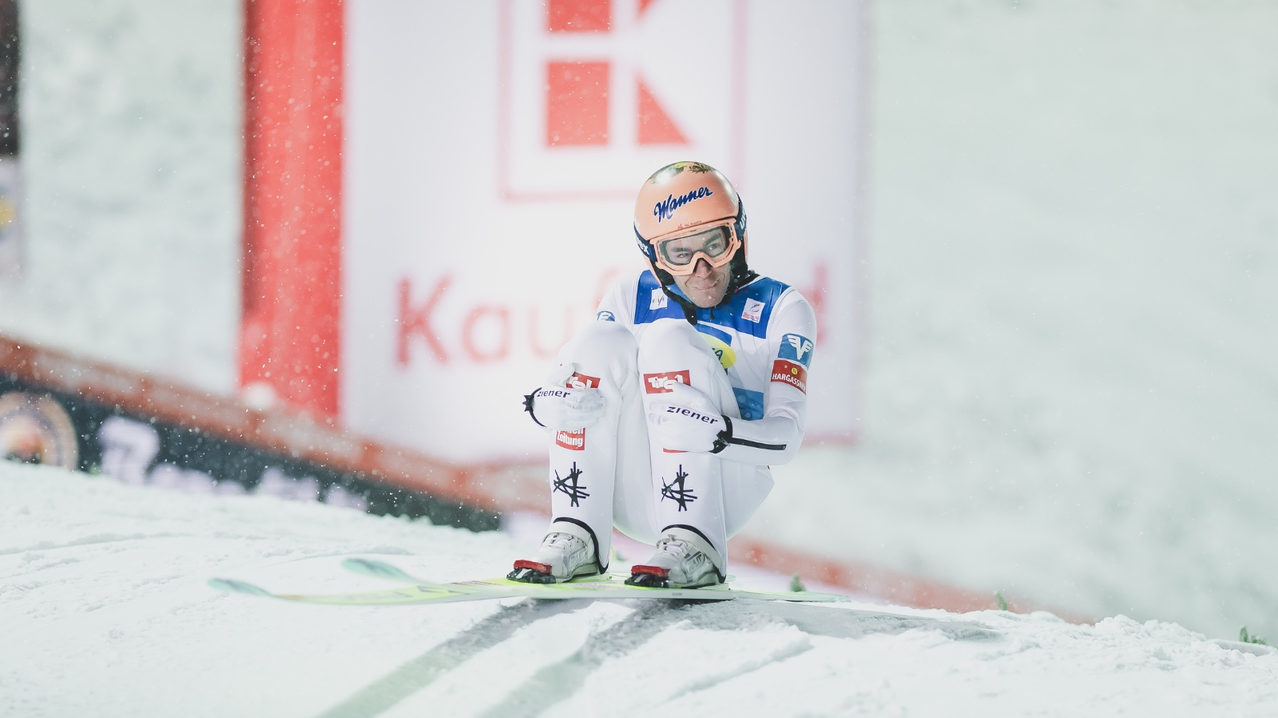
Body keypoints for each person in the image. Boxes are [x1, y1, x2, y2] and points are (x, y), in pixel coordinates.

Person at [510, 161, 817, 589]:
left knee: (670, 338)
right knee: (600, 339)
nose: (702, 268)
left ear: (739, 238)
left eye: (715, 244)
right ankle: (577, 528)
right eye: (680, 253)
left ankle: (698, 542)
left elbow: (787, 437)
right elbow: (580, 377)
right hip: (633, 489)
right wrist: (545, 404)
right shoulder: (629, 294)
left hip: (727, 487)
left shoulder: (783, 307)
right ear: (655, 259)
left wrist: (720, 434)